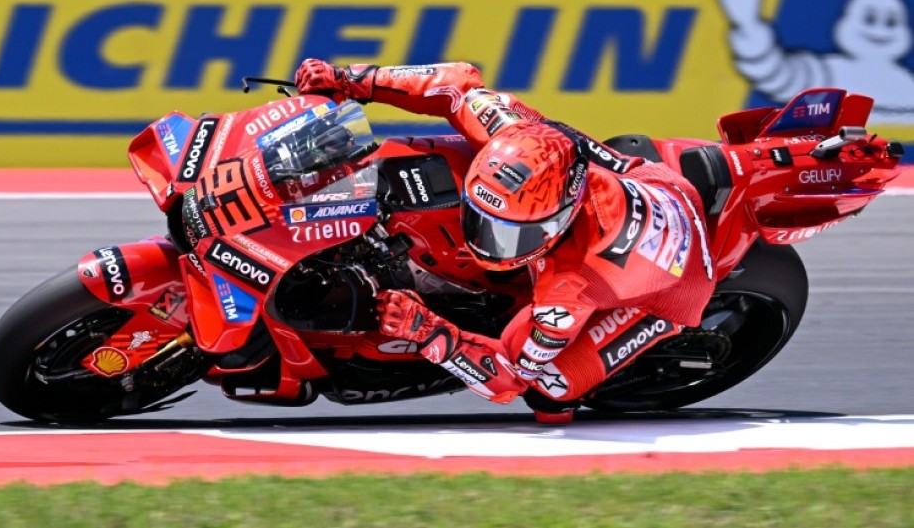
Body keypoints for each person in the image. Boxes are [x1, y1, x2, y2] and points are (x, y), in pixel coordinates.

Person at [294, 59, 716, 423]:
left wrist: (429, 331)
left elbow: (511, 379)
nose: (487, 242)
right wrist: (349, 79)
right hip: (644, 179)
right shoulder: (511, 132)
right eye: (482, 220)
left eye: (511, 234)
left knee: (550, 391)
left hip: (676, 285)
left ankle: (615, 364)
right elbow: (455, 83)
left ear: (560, 220)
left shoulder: (568, 292)